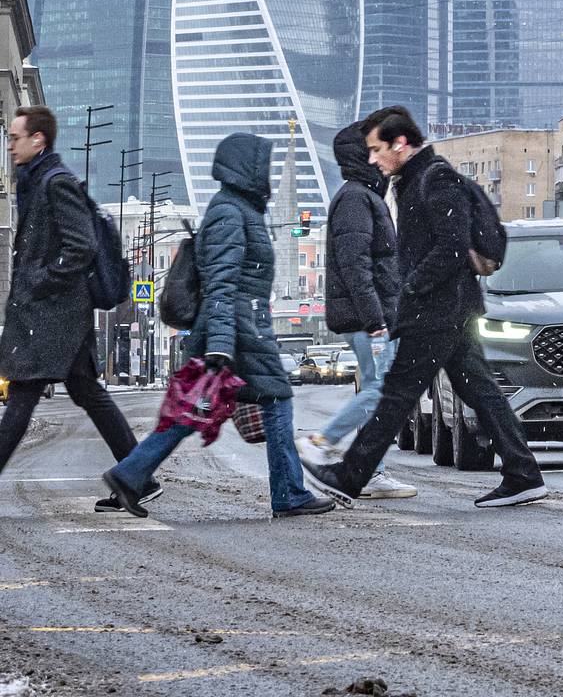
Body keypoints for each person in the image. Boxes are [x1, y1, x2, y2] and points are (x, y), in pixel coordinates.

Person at [302, 106, 546, 509]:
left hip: (437, 309)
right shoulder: (411, 181)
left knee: (396, 394)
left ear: (401, 144)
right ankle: (523, 473)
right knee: (479, 390)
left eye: (377, 149)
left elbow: (451, 247)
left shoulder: (436, 177)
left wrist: (411, 289)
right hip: (447, 309)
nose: (372, 158)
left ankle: (348, 477)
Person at [102, 133, 333, 519]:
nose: (269, 175)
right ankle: (289, 494)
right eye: (264, 166)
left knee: (194, 409)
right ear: (247, 168)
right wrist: (222, 344)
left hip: (238, 327)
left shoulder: (238, 209)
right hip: (237, 330)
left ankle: (130, 475)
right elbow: (220, 283)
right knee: (271, 402)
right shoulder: (230, 213)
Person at [0, 106, 152, 504]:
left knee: (22, 395)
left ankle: (139, 477)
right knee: (87, 393)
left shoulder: (56, 183)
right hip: (56, 313)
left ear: (38, 140)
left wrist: (40, 280)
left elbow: (81, 245)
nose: (10, 144)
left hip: (55, 315)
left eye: (15, 137)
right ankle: (138, 477)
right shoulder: (35, 181)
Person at [299, 123, 416, 499]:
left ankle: (372, 471)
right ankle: (322, 440)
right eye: (375, 148)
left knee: (374, 388)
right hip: (372, 318)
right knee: (380, 392)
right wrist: (376, 319)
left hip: (376, 314)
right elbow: (355, 265)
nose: (383, 155)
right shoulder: (355, 198)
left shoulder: (365, 196)